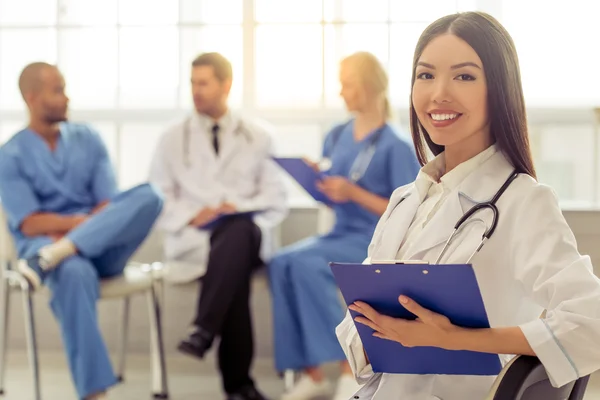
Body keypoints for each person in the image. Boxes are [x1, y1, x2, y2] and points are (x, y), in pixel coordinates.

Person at [336, 11, 600, 400]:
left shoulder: (524, 201)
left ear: (499, 89)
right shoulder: (404, 201)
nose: (438, 93)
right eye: (425, 75)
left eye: (464, 76)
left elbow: (591, 321)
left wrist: (457, 338)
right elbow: (354, 325)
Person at [0, 62, 164, 400]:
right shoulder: (10, 154)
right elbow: (30, 222)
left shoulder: (88, 138)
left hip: (92, 250)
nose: (66, 97)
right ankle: (94, 395)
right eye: (57, 89)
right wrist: (81, 225)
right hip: (44, 246)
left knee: (151, 195)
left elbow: (110, 205)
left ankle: (56, 255)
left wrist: (72, 237)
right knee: (72, 271)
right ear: (31, 97)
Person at [268, 51, 420, 400]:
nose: (341, 93)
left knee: (306, 264)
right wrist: (316, 180)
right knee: (280, 262)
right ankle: (313, 374)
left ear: (369, 88)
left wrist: (353, 192)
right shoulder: (337, 135)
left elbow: (406, 211)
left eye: (347, 85)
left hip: (372, 238)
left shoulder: (395, 144)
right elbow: (331, 195)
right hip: (338, 233)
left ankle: (347, 368)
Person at [148, 52, 287, 400]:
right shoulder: (171, 138)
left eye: (204, 83)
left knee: (238, 232)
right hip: (195, 240)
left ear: (226, 85)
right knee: (232, 267)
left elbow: (276, 199)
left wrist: (235, 208)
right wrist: (192, 215)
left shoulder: (260, 136)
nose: (196, 91)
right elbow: (157, 197)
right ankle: (238, 386)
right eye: (193, 83)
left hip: (247, 237)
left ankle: (203, 327)